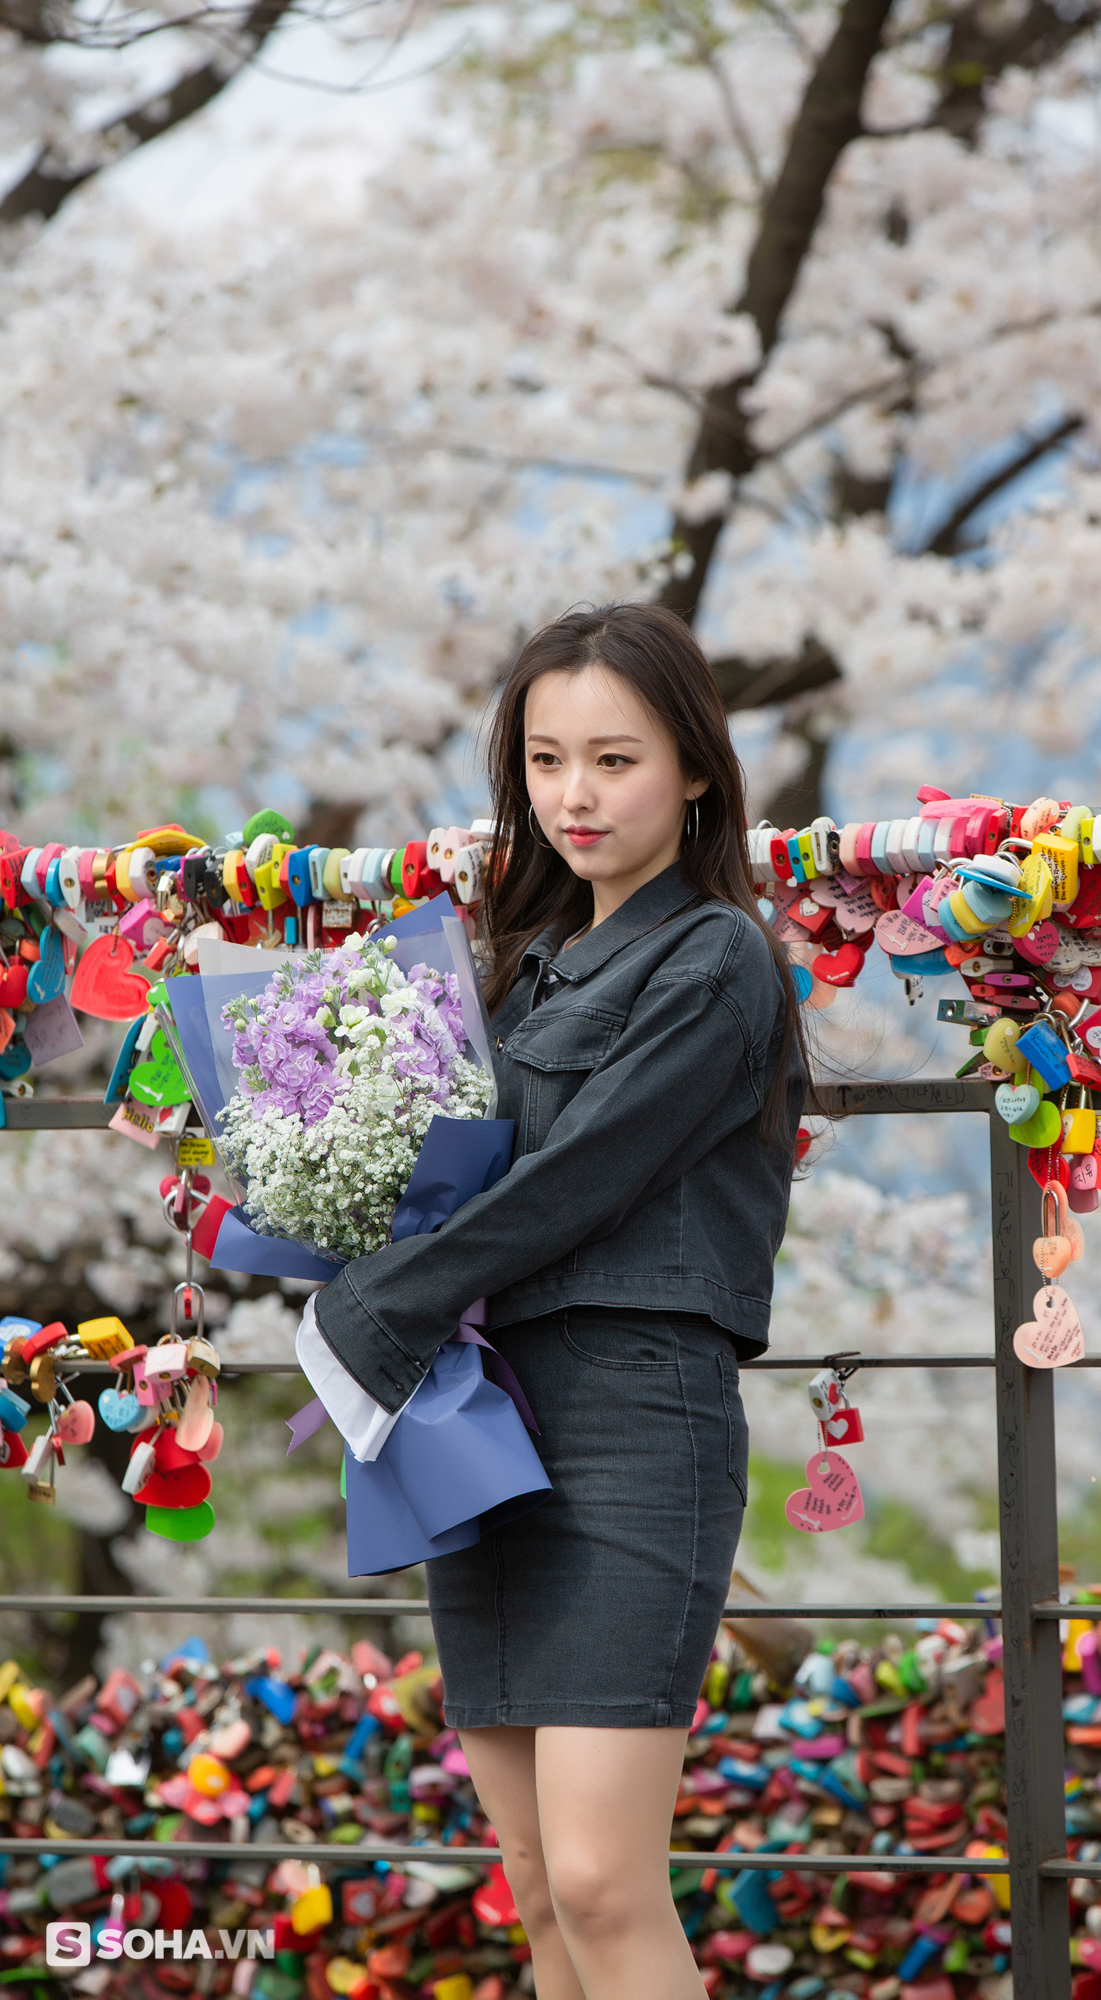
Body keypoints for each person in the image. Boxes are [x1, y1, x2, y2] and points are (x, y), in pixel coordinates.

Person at [309, 602, 807, 2000]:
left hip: (634, 1413)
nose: (573, 797)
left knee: (599, 1877)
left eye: (613, 759)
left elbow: (587, 1176)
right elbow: (446, 1173)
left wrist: (372, 1313)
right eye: (544, 762)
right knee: (532, 1889)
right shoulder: (520, 967)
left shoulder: (718, 958)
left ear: (695, 769)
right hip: (481, 1423)